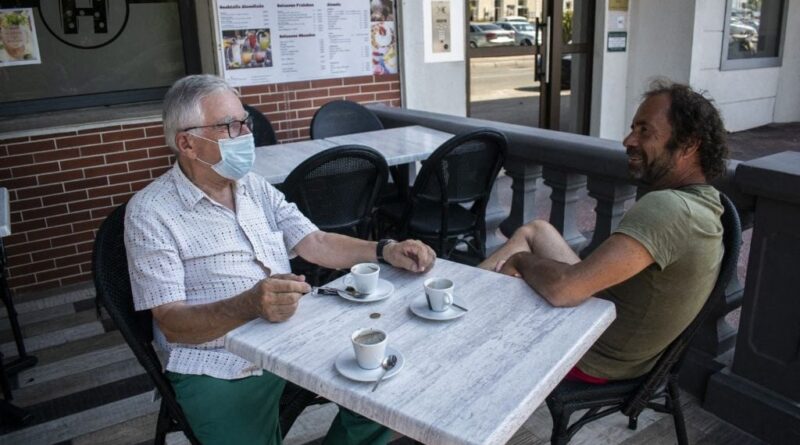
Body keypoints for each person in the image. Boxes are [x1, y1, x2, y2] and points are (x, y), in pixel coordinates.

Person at [124, 74, 436, 444]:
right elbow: (173, 324)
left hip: (293, 335)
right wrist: (248, 305)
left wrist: (385, 250)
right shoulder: (150, 213)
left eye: (244, 122)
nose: (245, 134)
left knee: (388, 391)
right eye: (228, 126)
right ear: (187, 144)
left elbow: (314, 241)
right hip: (217, 364)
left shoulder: (252, 186)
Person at [480, 80, 728, 383]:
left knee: (506, 291)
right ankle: (465, 297)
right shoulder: (705, 202)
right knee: (536, 230)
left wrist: (520, 261)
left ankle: (467, 329)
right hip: (622, 339)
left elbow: (564, 290)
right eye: (633, 129)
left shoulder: (669, 209)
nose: (628, 140)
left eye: (644, 131)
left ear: (689, 144)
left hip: (592, 356)